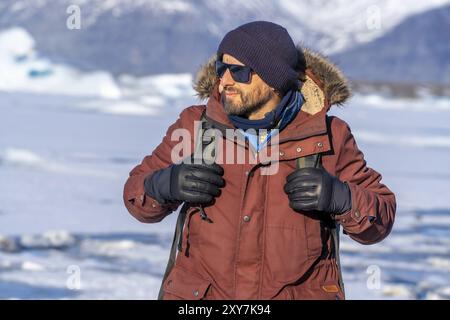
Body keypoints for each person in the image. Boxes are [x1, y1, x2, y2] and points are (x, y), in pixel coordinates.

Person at [123, 21, 396, 300]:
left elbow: (380, 220)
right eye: (221, 69)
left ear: (273, 78)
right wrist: (163, 184)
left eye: (239, 71)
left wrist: (342, 198)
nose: (224, 81)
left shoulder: (329, 135)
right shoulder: (195, 125)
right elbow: (136, 196)